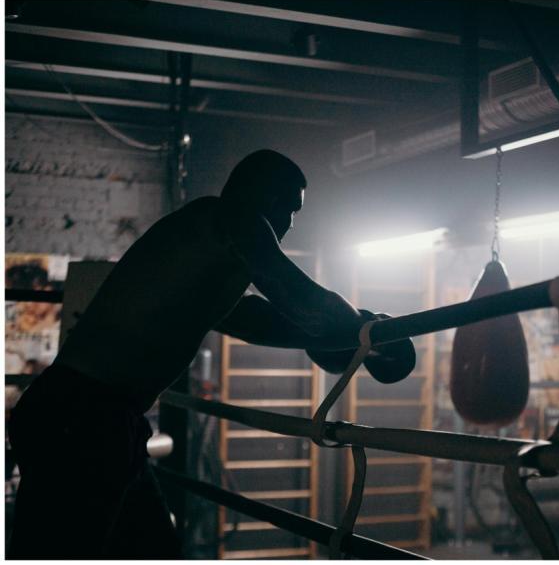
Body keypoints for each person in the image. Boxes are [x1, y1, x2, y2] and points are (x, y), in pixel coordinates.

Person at [7, 150, 416, 559]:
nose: (290, 223)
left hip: (99, 418)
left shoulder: (207, 247)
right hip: (82, 418)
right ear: (267, 198)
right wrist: (368, 328)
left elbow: (255, 321)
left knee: (152, 550)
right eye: (290, 208)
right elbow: (301, 300)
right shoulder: (231, 221)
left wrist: (355, 339)